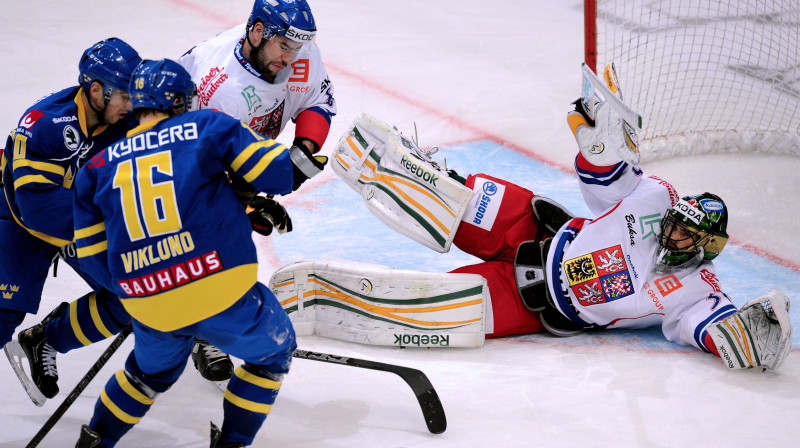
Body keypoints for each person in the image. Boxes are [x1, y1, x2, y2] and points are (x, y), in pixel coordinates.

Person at [275, 64, 792, 372]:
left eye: (687, 232)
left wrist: (741, 335)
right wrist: (598, 149)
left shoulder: (697, 291)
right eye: (677, 221)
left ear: (705, 245)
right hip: (533, 226)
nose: (675, 232)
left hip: (534, 304)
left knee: (430, 305)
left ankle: (334, 301)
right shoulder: (656, 195)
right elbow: (605, 180)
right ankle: (376, 166)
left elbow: (710, 326)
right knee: (447, 194)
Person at [72, 58, 325, 447]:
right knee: (273, 354)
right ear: (179, 101)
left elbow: (91, 255)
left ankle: (94, 441)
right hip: (220, 289)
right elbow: (278, 174)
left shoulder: (97, 166)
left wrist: (143, 285)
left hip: (147, 299)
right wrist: (303, 162)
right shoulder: (207, 126)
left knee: (146, 375)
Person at [176, 0, 336, 378]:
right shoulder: (216, 82)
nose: (292, 57)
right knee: (206, 242)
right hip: (180, 164)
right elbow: (195, 173)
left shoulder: (298, 53)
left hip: (231, 157)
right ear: (258, 31)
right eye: (284, 46)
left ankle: (210, 317)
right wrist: (243, 206)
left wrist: (304, 151)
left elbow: (317, 99)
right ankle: (203, 331)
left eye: (298, 48)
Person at [1, 38, 142, 403]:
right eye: (124, 96)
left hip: (79, 221)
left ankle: (45, 339)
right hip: (19, 218)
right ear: (97, 90)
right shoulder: (47, 122)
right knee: (2, 315)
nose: (130, 105)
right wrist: (113, 220)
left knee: (134, 296)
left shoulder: (126, 122)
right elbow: (38, 210)